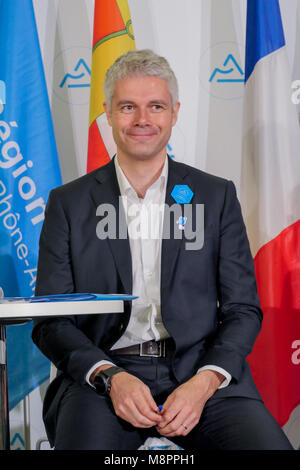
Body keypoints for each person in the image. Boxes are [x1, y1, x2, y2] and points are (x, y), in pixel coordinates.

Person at [32, 49, 292, 450]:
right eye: (128, 107)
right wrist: (108, 375)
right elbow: (51, 321)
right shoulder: (68, 203)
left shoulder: (216, 196)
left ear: (174, 112)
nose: (142, 120)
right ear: (108, 112)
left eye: (155, 106)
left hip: (199, 371)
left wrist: (205, 382)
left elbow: (242, 309)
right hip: (104, 378)